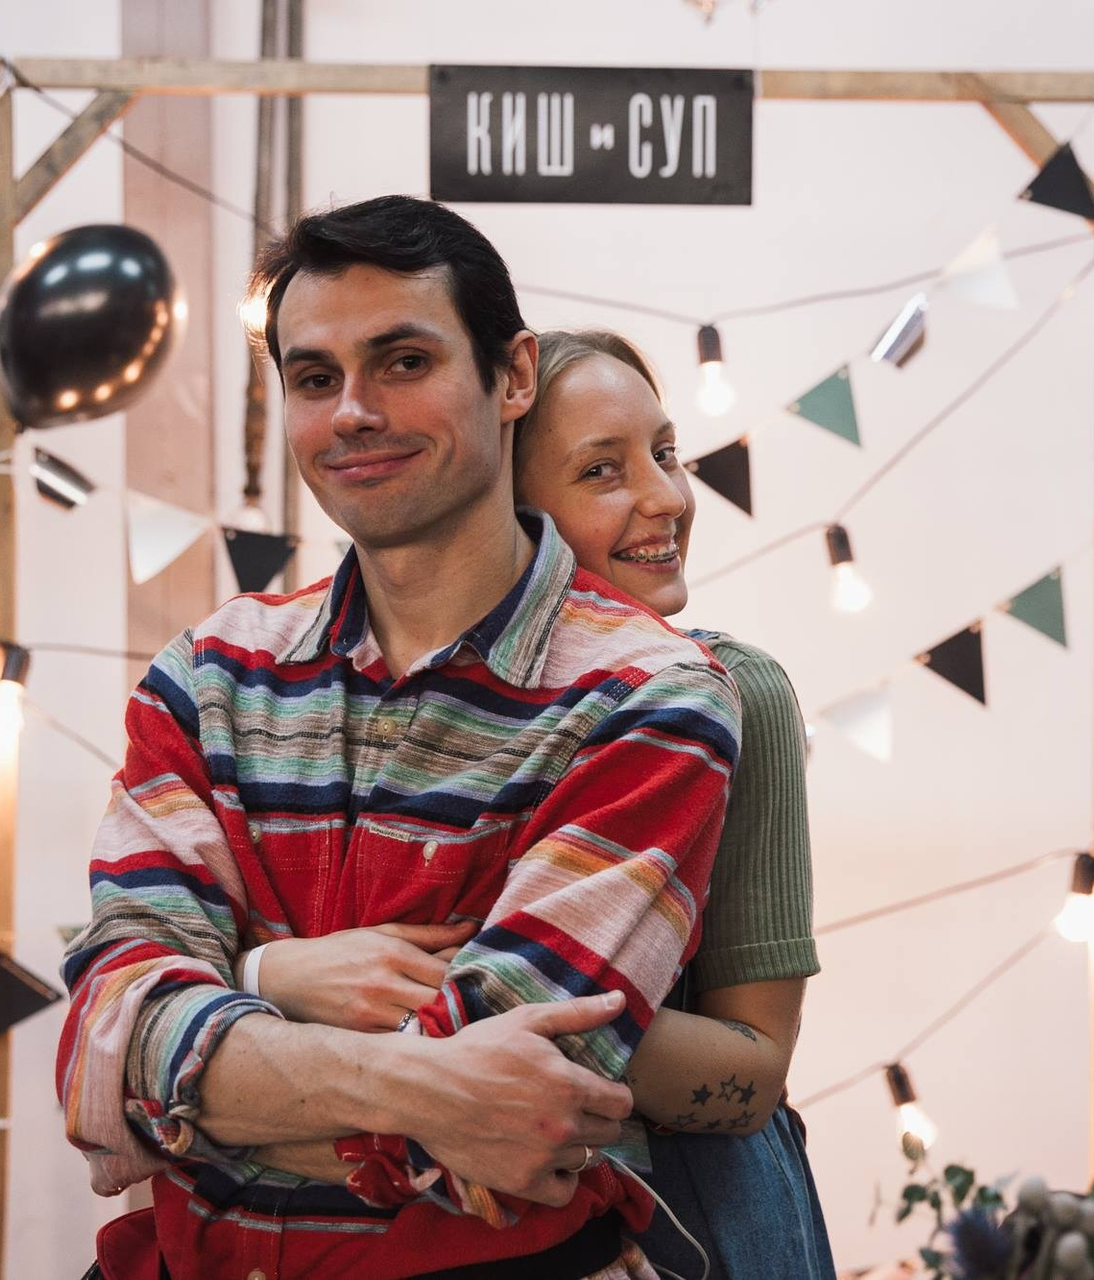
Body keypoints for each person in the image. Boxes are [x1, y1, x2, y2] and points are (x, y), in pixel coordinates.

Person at [56, 195, 742, 1280]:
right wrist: (411, 1082)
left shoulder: (649, 695)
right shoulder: (209, 675)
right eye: (314, 378)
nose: (353, 413)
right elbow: (104, 1047)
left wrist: (209, 1053)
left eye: (404, 361)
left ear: (512, 376)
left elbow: (519, 1122)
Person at [514, 330, 835, 1278]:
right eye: (603, 471)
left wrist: (478, 1010)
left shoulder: (737, 695)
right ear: (506, 510)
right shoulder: (429, 700)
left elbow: (756, 1071)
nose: (667, 498)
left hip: (693, 1213)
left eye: (665, 453)